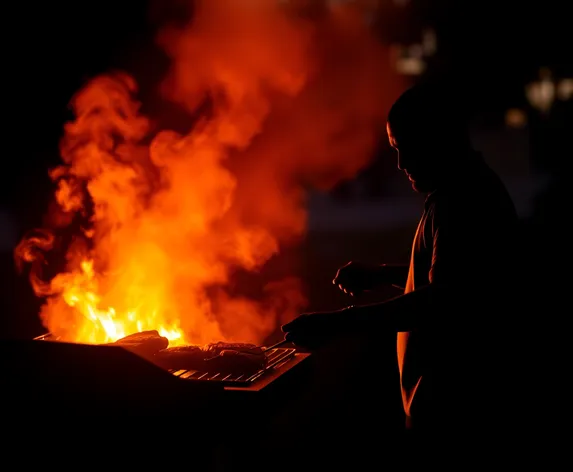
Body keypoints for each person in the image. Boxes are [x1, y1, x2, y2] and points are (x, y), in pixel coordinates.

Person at [281, 81, 522, 445]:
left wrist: (338, 323)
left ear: (439, 138)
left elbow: (442, 302)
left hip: (457, 417)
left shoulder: (462, 201)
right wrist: (383, 275)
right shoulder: (460, 191)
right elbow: (457, 279)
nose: (400, 163)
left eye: (406, 148)